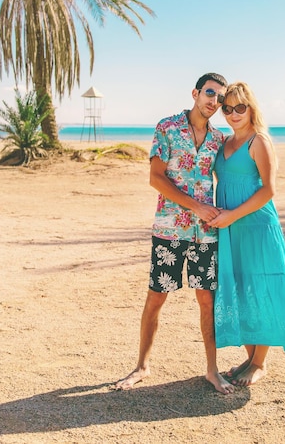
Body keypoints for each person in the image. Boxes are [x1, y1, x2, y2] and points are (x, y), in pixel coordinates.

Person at [113, 72, 235, 394]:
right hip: (169, 231)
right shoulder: (166, 128)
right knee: (157, 298)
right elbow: (156, 178)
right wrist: (195, 206)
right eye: (210, 93)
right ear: (195, 93)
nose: (214, 101)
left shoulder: (219, 140)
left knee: (206, 301)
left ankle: (212, 370)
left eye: (220, 98)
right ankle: (141, 366)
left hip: (205, 235)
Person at [208, 81, 285, 386]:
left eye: (240, 107)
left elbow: (269, 191)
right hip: (231, 229)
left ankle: (259, 363)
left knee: (261, 287)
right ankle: (250, 359)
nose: (234, 114)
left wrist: (231, 215)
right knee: (240, 287)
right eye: (228, 108)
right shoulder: (224, 143)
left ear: (250, 108)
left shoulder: (259, 141)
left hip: (256, 227)